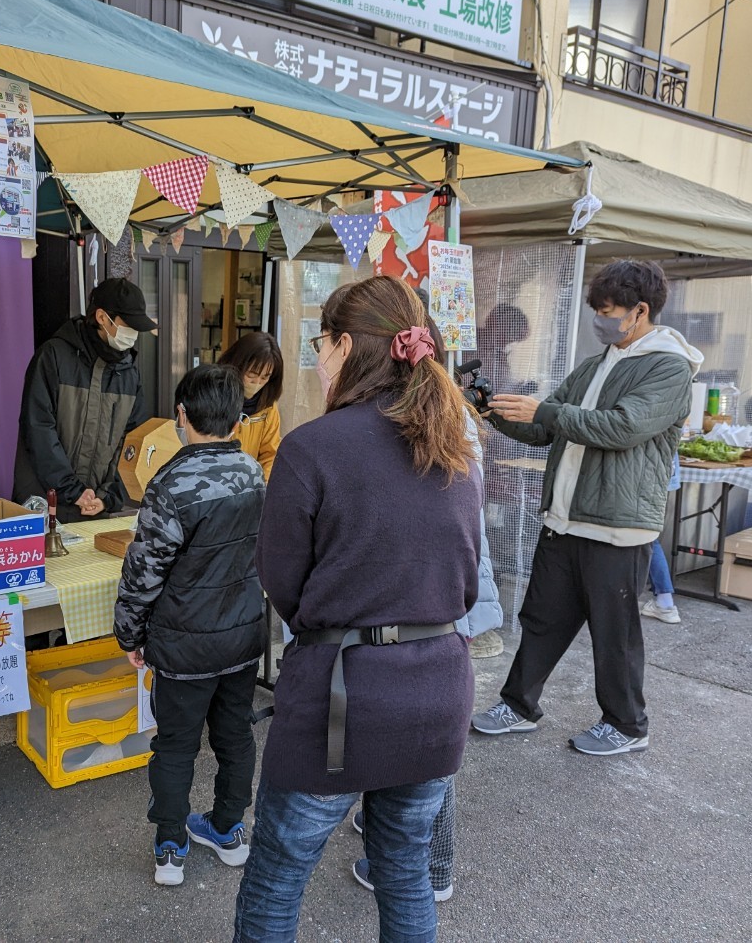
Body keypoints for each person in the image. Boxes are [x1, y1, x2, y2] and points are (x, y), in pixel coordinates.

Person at [234, 276, 482, 943]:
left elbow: (282, 582)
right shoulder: (455, 441)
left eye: (322, 342)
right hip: (437, 688)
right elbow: (467, 576)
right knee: (404, 871)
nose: (318, 357)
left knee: (278, 876)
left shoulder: (313, 446)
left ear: (346, 345)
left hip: (343, 696)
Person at [472, 259, 702, 756]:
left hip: (618, 527)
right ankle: (517, 705)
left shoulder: (669, 366)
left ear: (639, 311)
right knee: (542, 619)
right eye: (597, 310)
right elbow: (544, 429)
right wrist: (493, 411)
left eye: (607, 310)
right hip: (564, 519)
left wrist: (545, 411)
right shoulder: (597, 364)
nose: (600, 319)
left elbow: (622, 427)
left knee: (614, 635)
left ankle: (626, 726)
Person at [349, 319, 504, 905]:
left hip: (430, 595)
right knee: (422, 735)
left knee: (428, 750)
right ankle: (392, 835)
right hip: (447, 589)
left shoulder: (425, 419)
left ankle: (433, 868)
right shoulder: (445, 408)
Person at [113, 364, 267, 887]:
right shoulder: (253, 473)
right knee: (235, 737)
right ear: (236, 417)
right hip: (243, 636)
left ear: (182, 415)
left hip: (182, 643)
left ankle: (171, 845)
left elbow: (143, 569)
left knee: (176, 745)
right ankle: (228, 830)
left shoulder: (171, 482)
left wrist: (130, 635)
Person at [12, 278, 156, 521]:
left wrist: (108, 496)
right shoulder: (54, 356)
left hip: (97, 508)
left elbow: (132, 442)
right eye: (128, 325)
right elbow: (38, 429)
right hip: (45, 505)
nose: (132, 334)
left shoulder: (129, 373)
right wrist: (71, 490)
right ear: (102, 317)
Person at [218, 331, 284, 479]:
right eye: (252, 375)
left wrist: (261, 488)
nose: (257, 383)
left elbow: (270, 456)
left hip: (250, 488)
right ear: (237, 365)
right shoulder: (214, 396)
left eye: (264, 378)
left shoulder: (268, 407)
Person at [641, 455, 683, 625]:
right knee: (648, 536)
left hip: (648, 472)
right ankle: (664, 601)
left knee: (647, 537)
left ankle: (665, 603)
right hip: (664, 470)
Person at [477, 303, 534, 396]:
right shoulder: (475, 342)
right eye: (511, 336)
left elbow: (502, 385)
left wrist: (520, 388)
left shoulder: (499, 355)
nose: (509, 342)